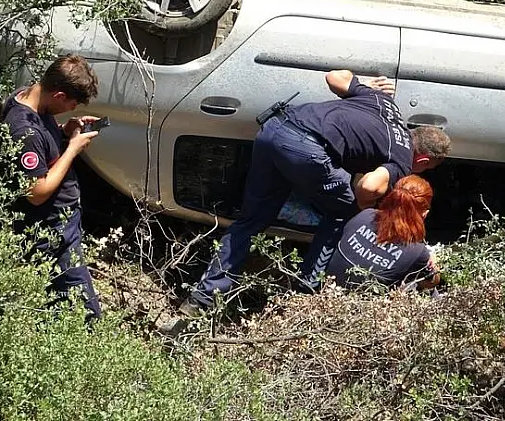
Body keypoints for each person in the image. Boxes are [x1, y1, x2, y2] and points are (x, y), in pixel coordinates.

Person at [184, 69, 452, 313]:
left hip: (275, 129)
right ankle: (306, 290)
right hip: (305, 149)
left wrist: (366, 84)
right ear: (424, 161)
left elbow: (334, 77)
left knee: (251, 221)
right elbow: (370, 185)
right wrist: (362, 204)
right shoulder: (402, 158)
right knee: (344, 209)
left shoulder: (384, 103)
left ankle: (201, 299)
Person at [0, 54, 103, 321]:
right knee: (84, 311)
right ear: (58, 94)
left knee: (60, 302)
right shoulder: (25, 130)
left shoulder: (29, 98)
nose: (72, 108)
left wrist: (62, 131)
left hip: (62, 221)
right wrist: (73, 149)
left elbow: (43, 143)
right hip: (51, 226)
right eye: (72, 103)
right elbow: (35, 192)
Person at [326, 175, 441, 291]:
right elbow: (430, 283)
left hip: (328, 288)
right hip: (366, 305)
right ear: (424, 214)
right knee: (429, 290)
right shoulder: (417, 250)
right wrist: (432, 260)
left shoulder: (366, 214)